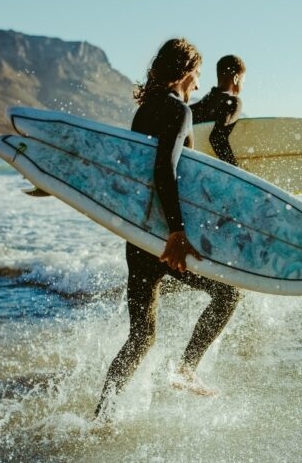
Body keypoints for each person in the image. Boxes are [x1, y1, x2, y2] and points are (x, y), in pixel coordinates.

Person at [95, 39, 241, 417]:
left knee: (141, 338)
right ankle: (187, 368)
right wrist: (177, 233)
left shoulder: (146, 110)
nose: (199, 83)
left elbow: (139, 171)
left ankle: (102, 414)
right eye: (197, 74)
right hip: (165, 238)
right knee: (228, 294)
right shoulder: (178, 110)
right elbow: (165, 169)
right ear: (187, 71)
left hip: (140, 236)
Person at [190, 54, 246, 165]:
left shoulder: (196, 107)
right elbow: (217, 138)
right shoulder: (233, 102)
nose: (243, 86)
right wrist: (235, 169)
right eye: (243, 82)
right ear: (236, 78)